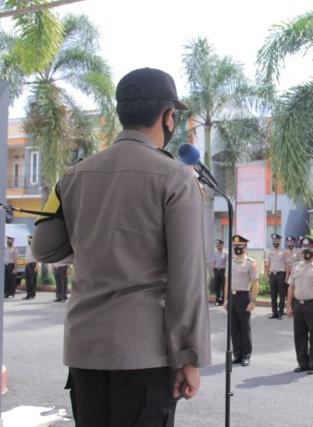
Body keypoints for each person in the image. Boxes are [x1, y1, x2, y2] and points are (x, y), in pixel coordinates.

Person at [32, 67, 211, 426]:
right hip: (144, 356)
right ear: (167, 116)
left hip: (84, 352)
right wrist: (188, 357)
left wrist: (95, 243)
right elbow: (186, 277)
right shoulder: (176, 177)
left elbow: (44, 248)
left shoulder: (73, 175)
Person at [286, 236, 313, 375]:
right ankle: (302, 364)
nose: (306, 251)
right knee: (299, 336)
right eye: (304, 248)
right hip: (298, 304)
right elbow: (291, 287)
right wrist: (288, 306)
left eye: (309, 248)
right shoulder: (296, 266)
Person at [223, 234, 259, 366]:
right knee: (234, 328)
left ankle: (246, 355)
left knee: (245, 327)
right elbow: (227, 281)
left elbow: (255, 283)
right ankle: (237, 354)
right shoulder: (230, 261)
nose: (237, 248)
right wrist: (226, 299)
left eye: (239, 246)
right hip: (232, 297)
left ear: (245, 247)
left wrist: (253, 301)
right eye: (235, 246)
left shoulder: (250, 262)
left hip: (244, 297)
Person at [266, 233, 288, 319]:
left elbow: (286, 264)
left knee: (282, 295)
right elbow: (268, 264)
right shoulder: (270, 251)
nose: (275, 241)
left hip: (281, 275)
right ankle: (274, 312)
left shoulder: (284, 251)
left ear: (280, 240)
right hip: (272, 275)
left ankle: (281, 312)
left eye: (276, 240)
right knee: (273, 295)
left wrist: (286, 276)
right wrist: (267, 276)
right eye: (273, 240)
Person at [22, 235, 38, 300]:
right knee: (28, 280)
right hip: (27, 265)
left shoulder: (35, 247)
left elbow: (37, 257)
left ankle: (32, 294)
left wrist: (36, 266)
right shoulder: (27, 247)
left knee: (33, 280)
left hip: (33, 264)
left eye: (30, 240)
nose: (29, 241)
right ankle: (28, 294)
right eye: (28, 240)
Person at [213, 239, 227, 306]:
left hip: (223, 271)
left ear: (222, 245)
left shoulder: (226, 254)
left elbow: (227, 264)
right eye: (217, 245)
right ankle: (217, 300)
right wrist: (214, 271)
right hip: (216, 271)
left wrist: (226, 273)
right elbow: (214, 262)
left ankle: (223, 300)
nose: (218, 246)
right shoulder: (215, 253)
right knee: (216, 287)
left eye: (219, 245)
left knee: (224, 286)